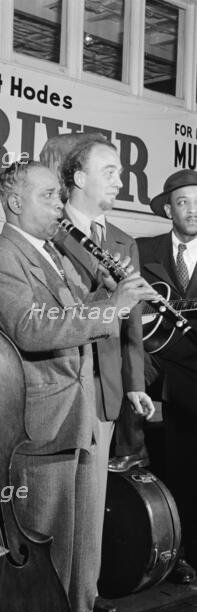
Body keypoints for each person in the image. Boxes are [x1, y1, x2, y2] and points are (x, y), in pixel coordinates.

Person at [0, 161, 156, 612]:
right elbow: (31, 329)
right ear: (15, 203)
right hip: (44, 417)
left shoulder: (53, 252)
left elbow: (76, 314)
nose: (60, 205)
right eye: (49, 196)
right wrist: (112, 308)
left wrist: (113, 292)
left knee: (81, 532)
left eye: (60, 195)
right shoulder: (0, 258)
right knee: (48, 535)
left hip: (80, 409)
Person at [52, 135, 155, 478]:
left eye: (120, 173)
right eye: (109, 172)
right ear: (79, 178)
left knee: (94, 502)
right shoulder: (48, 233)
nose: (120, 182)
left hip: (107, 388)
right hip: (63, 388)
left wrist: (134, 384)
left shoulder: (125, 242)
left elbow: (133, 324)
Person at [137, 169, 197, 584]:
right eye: (182, 203)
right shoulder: (142, 249)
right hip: (164, 382)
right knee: (175, 471)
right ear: (168, 210)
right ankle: (178, 556)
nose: (192, 210)